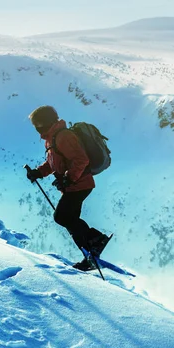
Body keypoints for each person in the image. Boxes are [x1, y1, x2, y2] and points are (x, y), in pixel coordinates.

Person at [26, 105, 110, 271]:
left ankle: (96, 240)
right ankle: (89, 254)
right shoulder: (51, 139)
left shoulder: (64, 136)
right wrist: (38, 172)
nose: (36, 128)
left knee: (62, 217)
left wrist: (68, 178)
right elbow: (53, 163)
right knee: (71, 221)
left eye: (38, 124)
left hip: (79, 184)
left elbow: (81, 160)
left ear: (46, 122)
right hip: (73, 185)